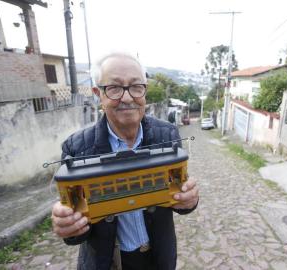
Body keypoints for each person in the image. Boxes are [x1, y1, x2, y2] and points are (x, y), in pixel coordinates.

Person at [51, 53, 199, 270]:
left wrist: (189, 201)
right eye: (114, 88)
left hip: (159, 258)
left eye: (136, 86)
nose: (128, 98)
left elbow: (177, 197)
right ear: (98, 94)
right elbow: (77, 227)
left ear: (144, 91)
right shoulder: (77, 148)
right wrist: (69, 226)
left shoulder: (167, 135)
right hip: (107, 262)